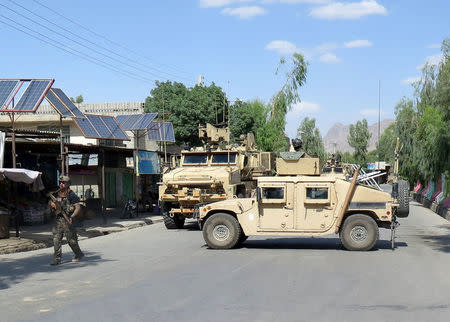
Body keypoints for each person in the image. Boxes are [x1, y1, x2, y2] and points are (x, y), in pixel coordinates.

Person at [49, 175, 84, 265]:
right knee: (56, 240)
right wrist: (52, 205)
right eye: (60, 182)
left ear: (68, 184)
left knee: (71, 241)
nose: (61, 184)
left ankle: (78, 254)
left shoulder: (71, 195)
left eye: (63, 183)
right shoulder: (57, 193)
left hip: (68, 219)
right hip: (58, 220)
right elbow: (52, 203)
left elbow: (78, 207)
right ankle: (57, 260)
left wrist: (72, 217)